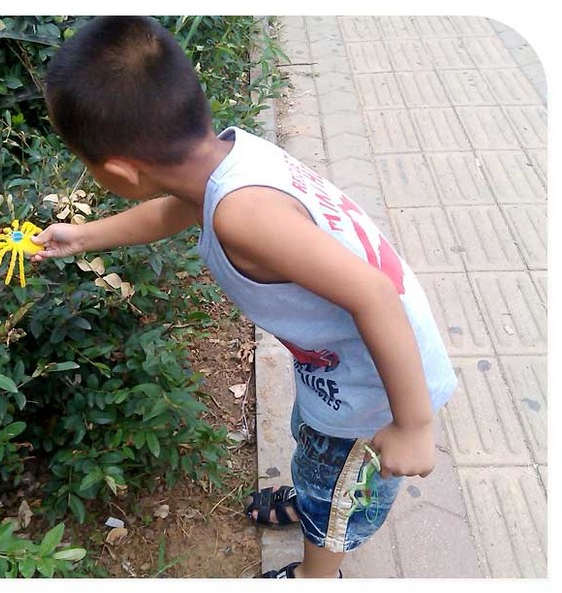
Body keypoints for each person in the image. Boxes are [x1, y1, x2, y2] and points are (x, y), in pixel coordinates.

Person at [31, 16, 458, 578]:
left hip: (377, 389)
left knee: (338, 496)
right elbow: (180, 208)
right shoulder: (225, 156)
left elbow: (375, 295)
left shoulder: (242, 216)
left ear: (120, 172)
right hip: (345, 366)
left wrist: (413, 426)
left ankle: (314, 574)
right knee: (313, 445)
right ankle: (312, 491)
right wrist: (85, 236)